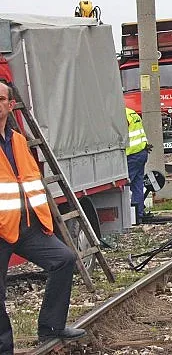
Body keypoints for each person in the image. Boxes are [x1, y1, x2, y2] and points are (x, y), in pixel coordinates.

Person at [0, 83, 85, 349]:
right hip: (1, 230)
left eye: (0, 98)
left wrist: (43, 219)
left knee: (64, 259)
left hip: (25, 227)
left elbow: (30, 180)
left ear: (10, 105)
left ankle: (51, 328)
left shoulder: (18, 140)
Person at [125, 107, 149, 224]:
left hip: (132, 154)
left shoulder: (122, 115)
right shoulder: (132, 112)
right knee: (137, 185)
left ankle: (129, 216)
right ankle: (138, 215)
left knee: (124, 186)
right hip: (141, 152)